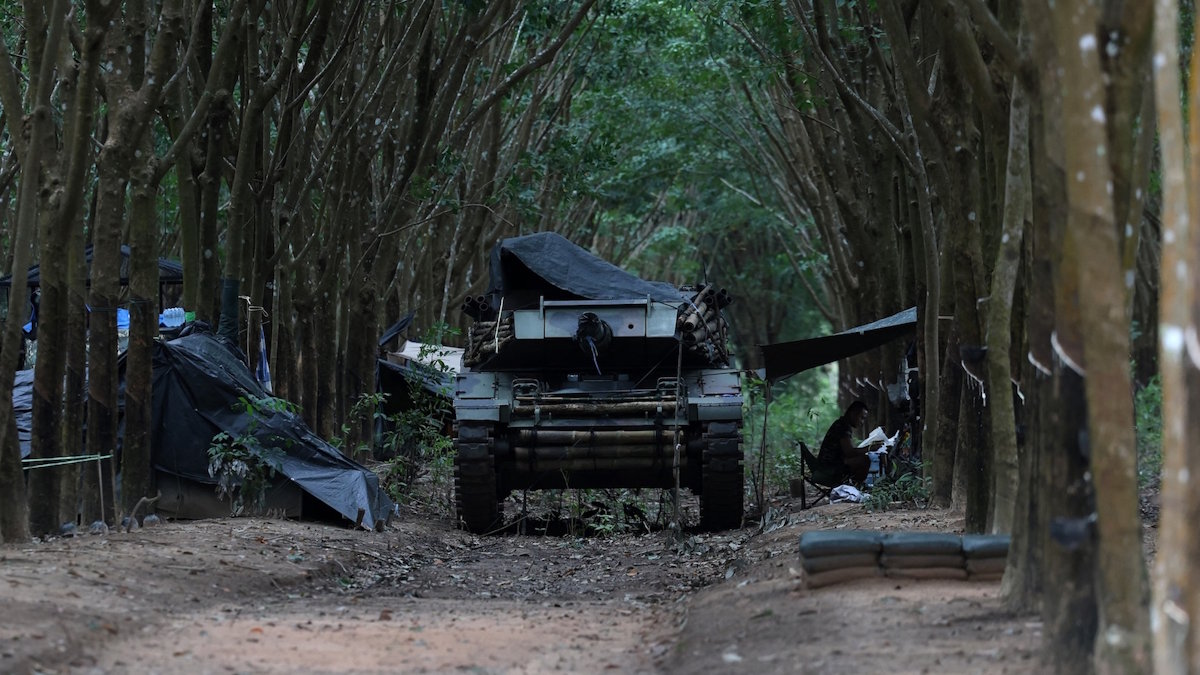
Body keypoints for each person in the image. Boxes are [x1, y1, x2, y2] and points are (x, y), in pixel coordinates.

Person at [816, 400, 871, 485]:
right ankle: (854, 489)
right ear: (853, 413)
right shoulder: (843, 426)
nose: (862, 422)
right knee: (864, 460)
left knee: (862, 458)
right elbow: (850, 452)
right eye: (862, 418)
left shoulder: (842, 423)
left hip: (829, 464)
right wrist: (870, 448)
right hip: (828, 468)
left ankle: (853, 487)